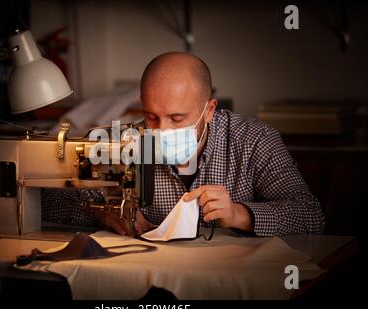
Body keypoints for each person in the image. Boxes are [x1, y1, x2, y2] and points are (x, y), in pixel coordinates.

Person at [42, 52, 325, 237]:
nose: (162, 130)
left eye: (177, 118)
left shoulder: (252, 141)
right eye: (152, 116)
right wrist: (102, 214)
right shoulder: (128, 143)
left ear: (210, 109)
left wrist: (240, 214)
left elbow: (310, 215)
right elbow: (49, 206)